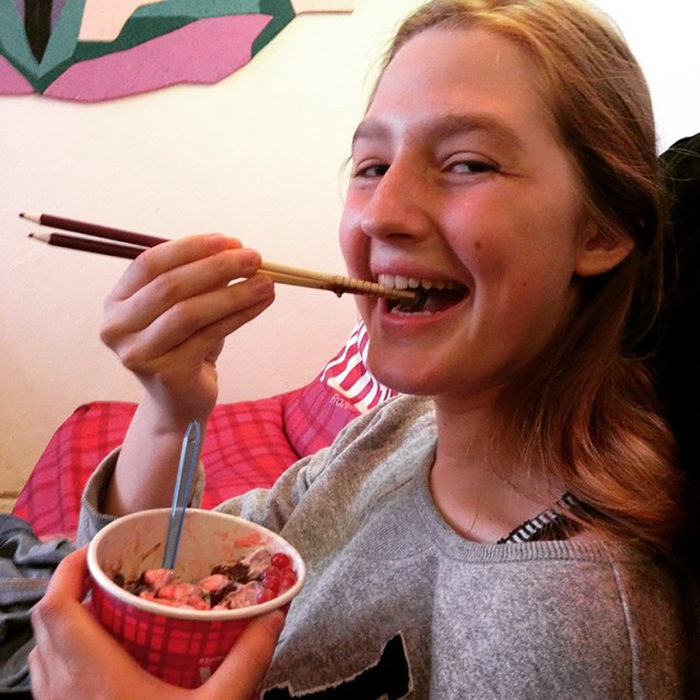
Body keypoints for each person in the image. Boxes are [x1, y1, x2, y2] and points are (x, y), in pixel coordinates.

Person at [29, 0, 697, 697]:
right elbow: (182, 574)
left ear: (602, 230)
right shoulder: (398, 431)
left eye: (467, 163)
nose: (381, 213)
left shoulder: (576, 631)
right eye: (372, 165)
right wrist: (170, 412)